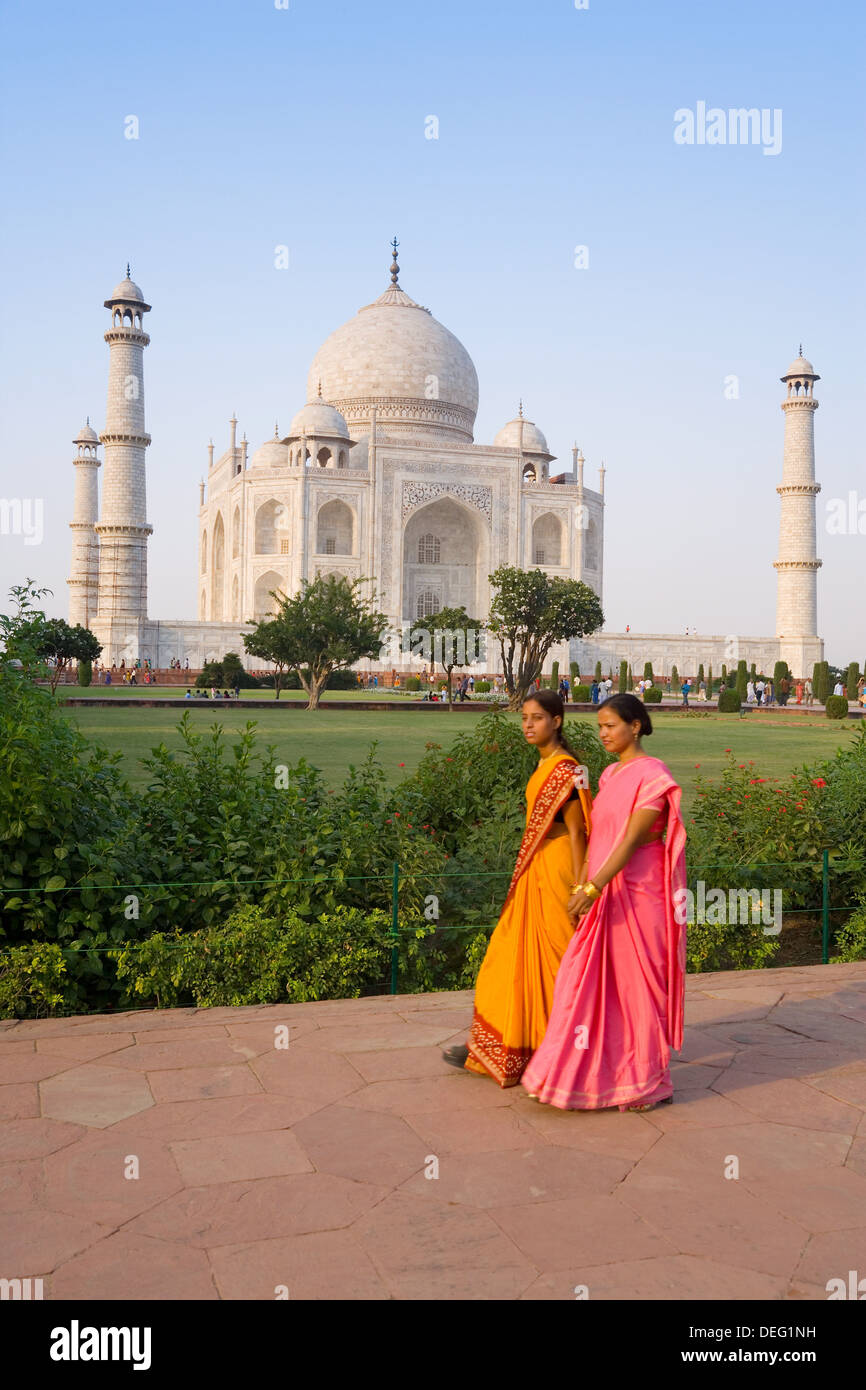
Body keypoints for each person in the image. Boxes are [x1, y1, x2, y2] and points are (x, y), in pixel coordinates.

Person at [521, 693, 686, 1112]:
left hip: (640, 892)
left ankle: (651, 1081)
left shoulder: (654, 775)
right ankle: (590, 1072)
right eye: (600, 727)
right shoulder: (610, 775)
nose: (603, 734)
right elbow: (598, 835)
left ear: (635, 726)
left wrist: (591, 888)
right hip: (603, 886)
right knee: (587, 981)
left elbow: (631, 840)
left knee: (637, 988)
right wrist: (585, 883)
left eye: (611, 725)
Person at [442, 690, 593, 1085]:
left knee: (558, 965)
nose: (528, 725)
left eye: (537, 718)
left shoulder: (567, 768)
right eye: (524, 717)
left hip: (559, 870)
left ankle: (562, 1054)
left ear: (557, 721)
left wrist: (582, 889)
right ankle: (505, 1047)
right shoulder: (545, 765)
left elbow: (578, 832)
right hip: (535, 869)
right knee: (509, 960)